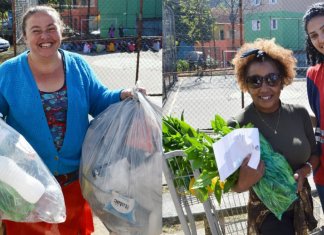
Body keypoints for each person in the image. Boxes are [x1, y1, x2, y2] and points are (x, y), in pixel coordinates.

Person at [0, 5, 143, 235]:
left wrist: (121, 95)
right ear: (24, 37)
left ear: (61, 32)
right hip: (26, 189)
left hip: (73, 185)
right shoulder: (8, 73)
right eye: (36, 30)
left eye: (51, 28)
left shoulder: (78, 66)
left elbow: (99, 100)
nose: (45, 36)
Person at [229, 38, 319, 234]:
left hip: (301, 209)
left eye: (272, 79)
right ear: (245, 84)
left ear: (282, 80)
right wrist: (244, 182)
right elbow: (231, 184)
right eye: (255, 80)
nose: (264, 88)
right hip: (268, 218)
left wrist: (305, 171)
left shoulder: (299, 114)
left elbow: (315, 154)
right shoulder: (238, 125)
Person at [304, 2, 324, 214]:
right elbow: (318, 119)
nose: (321, 40)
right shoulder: (312, 75)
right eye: (314, 35)